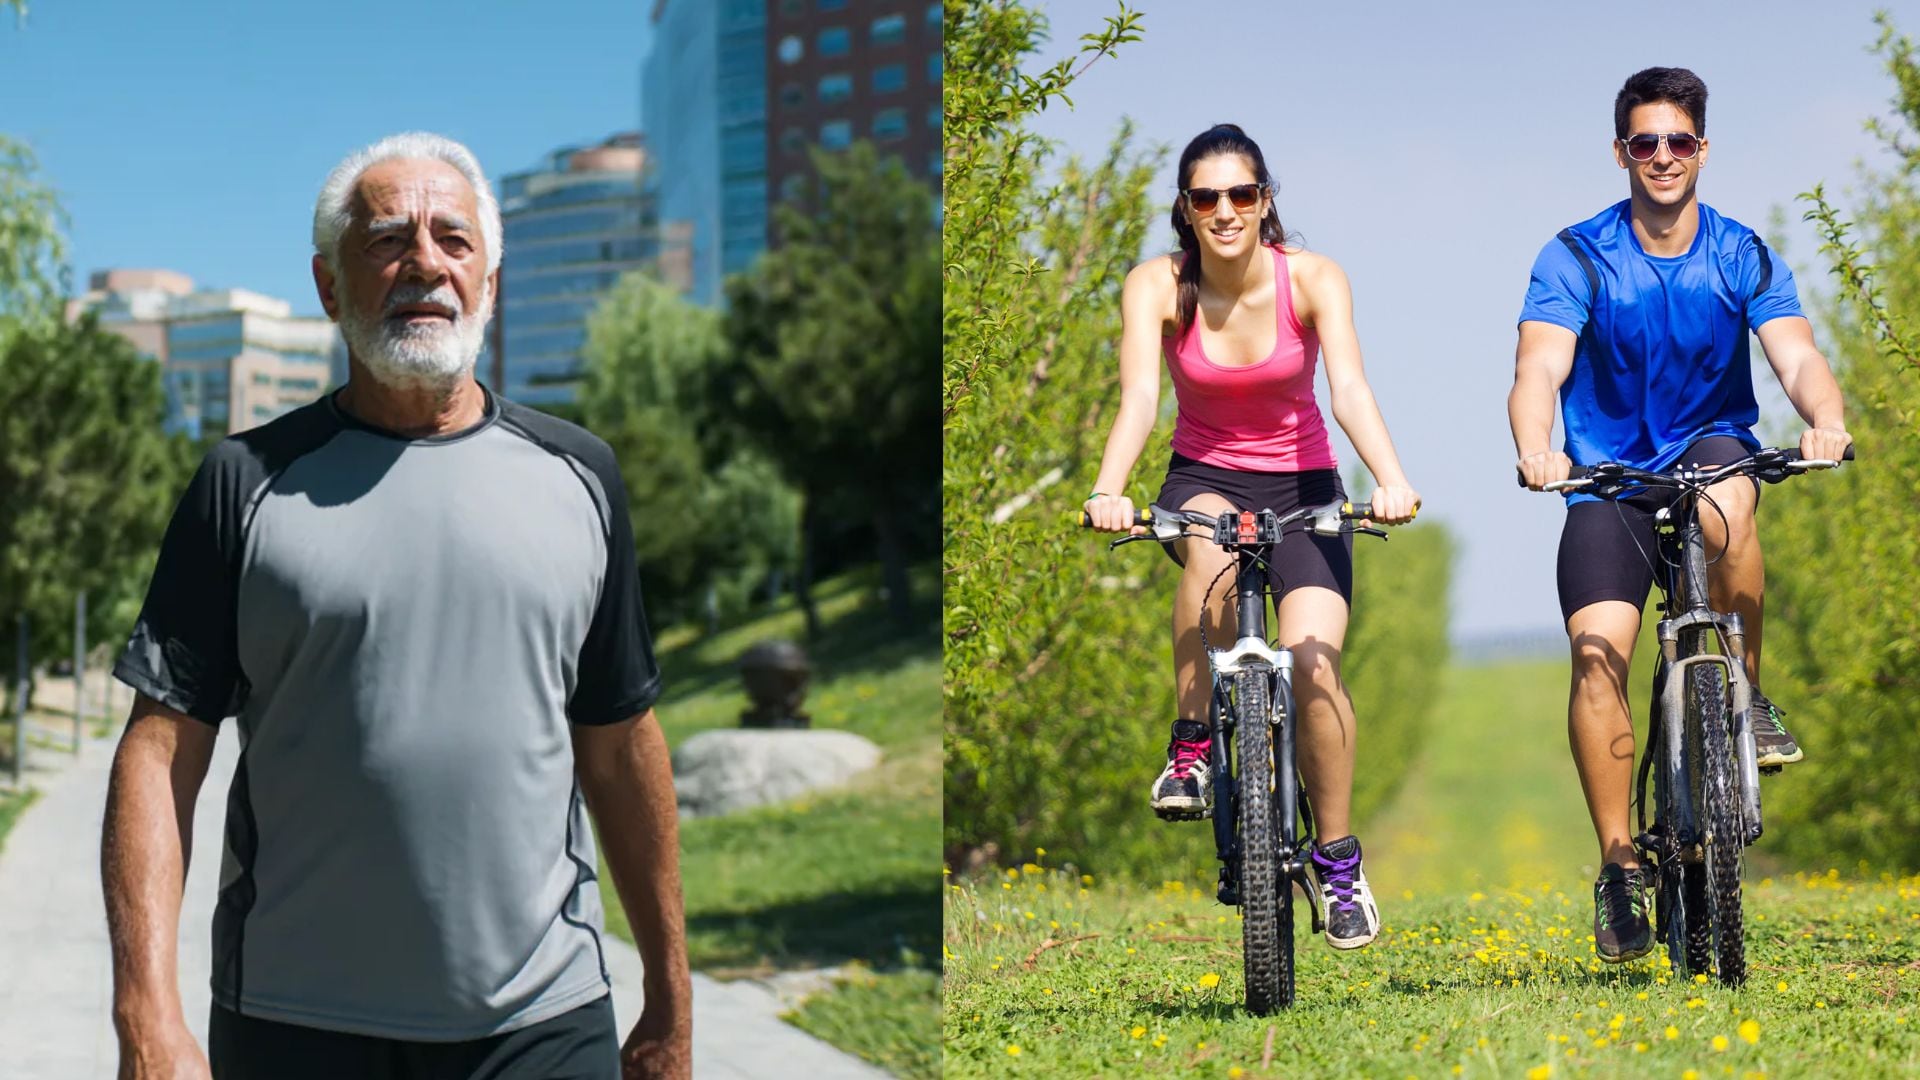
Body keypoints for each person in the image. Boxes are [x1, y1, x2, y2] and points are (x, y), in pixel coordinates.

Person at [101, 132, 692, 1080]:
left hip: (543, 1022)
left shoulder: (581, 477)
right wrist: (146, 1015)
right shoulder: (242, 482)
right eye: (387, 240)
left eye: (454, 239)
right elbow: (160, 751)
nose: (424, 262)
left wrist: (671, 1001)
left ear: (490, 280)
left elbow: (621, 746)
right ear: (330, 287)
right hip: (294, 1022)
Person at [1509, 68, 1852, 963]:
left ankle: (1745, 695)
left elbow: (1796, 355)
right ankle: (1618, 863)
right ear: (1621, 152)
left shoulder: (1740, 252)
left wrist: (1826, 419)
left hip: (1708, 447)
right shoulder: (1577, 255)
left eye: (1679, 141)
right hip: (1608, 477)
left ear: (1703, 148)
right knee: (1598, 656)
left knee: (1729, 499)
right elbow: (1539, 366)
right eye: (1645, 142)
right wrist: (1538, 446)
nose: (1662, 156)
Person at [1083, 123, 1421, 951]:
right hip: (1203, 478)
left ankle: (1337, 861)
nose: (1225, 211)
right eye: (1207, 198)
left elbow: (1349, 388)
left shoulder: (1312, 278)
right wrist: (1107, 489)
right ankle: (1193, 743)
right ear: (1185, 209)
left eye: (1241, 194)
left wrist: (1390, 478)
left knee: (1314, 665)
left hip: (1305, 487)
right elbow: (1138, 398)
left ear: (1266, 201)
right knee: (1208, 554)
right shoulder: (1156, 286)